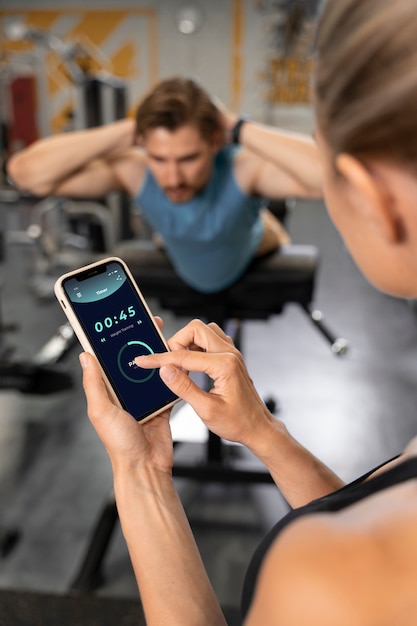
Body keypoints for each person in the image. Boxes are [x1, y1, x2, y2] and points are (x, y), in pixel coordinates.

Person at [80, 0, 417, 623]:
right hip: (188, 262)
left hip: (241, 254)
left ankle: (265, 234)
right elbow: (360, 512)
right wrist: (262, 433)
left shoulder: (331, 582)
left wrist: (140, 471)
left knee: (262, 235)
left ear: (371, 194)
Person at [7, 77, 321, 294]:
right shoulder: (135, 168)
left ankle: (265, 223)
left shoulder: (243, 167)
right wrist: (131, 130)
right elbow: (24, 174)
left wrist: (236, 127)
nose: (172, 178)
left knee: (267, 232)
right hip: (178, 246)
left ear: (214, 141)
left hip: (249, 247)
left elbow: (326, 179)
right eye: (159, 158)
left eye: (188, 159)